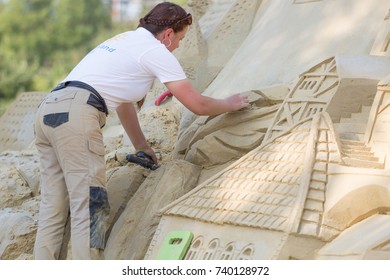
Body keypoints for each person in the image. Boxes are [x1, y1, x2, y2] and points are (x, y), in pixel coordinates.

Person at [33, 1, 249, 260]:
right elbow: (197, 103)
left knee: (52, 209)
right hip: (78, 114)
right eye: (180, 38)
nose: (178, 45)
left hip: (48, 110)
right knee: (90, 205)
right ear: (168, 34)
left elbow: (124, 105)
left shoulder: (123, 40)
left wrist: (142, 147)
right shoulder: (155, 52)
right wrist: (229, 103)